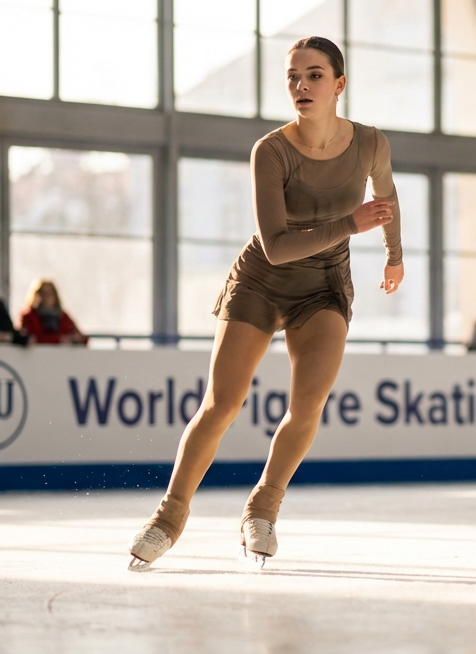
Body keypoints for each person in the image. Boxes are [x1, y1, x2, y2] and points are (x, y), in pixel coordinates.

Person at [129, 36, 401, 571]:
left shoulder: (371, 143)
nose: (301, 85)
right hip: (262, 279)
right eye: (293, 76)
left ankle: (263, 506)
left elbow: (386, 201)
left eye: (315, 75)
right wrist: (351, 223)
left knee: (308, 405)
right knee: (223, 402)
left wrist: (394, 255)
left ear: (339, 84)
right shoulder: (271, 151)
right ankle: (168, 517)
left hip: (324, 284)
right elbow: (276, 246)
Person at [18, 279, 88, 346]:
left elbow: (82, 337)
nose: (47, 296)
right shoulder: (29, 316)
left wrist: (76, 339)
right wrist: (59, 340)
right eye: (43, 293)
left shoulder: (62, 315)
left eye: (50, 293)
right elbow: (32, 337)